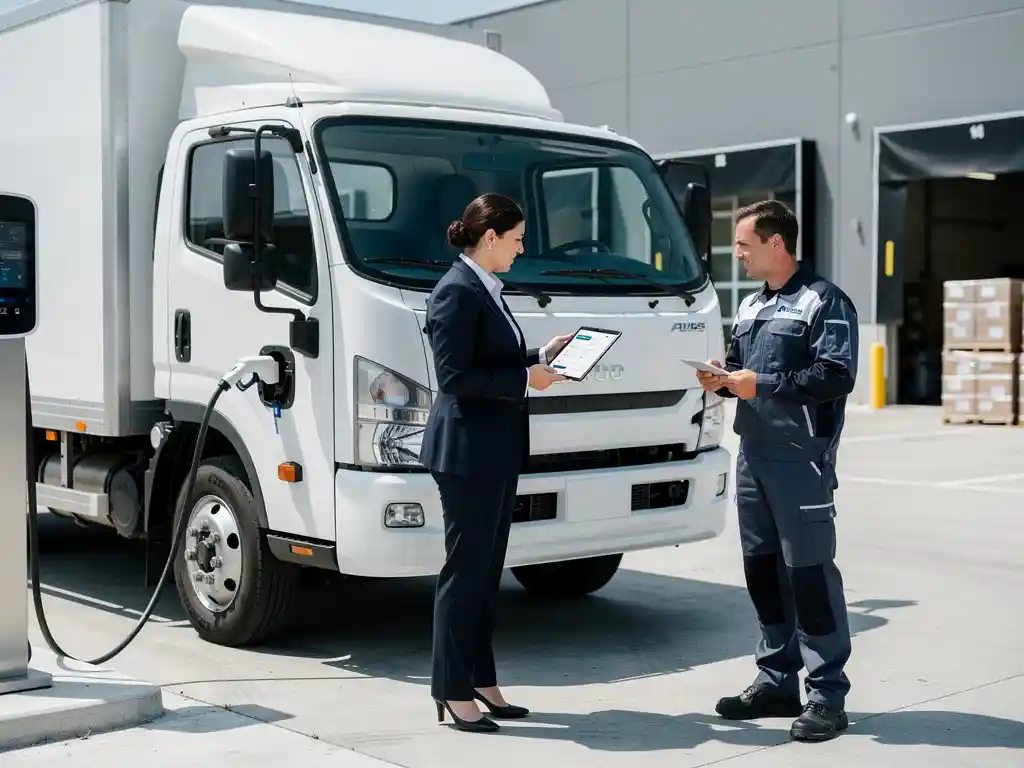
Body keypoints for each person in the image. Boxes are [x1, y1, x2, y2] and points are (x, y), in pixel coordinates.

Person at [696, 200, 858, 743]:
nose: (737, 254)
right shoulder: (751, 306)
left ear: (776, 244)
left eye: (744, 245)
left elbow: (835, 375)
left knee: (809, 576)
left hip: (801, 458)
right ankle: (775, 681)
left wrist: (760, 384)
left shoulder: (824, 301)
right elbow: (741, 368)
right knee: (763, 573)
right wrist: (722, 379)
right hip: (754, 455)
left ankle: (827, 695)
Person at [418, 192, 572, 733]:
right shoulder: (455, 292)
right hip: (466, 453)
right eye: (517, 239)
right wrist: (526, 379)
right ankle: (451, 688)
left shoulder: (485, 288)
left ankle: (480, 679)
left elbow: (492, 359)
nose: (521, 249)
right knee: (465, 573)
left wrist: (540, 357)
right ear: (489, 238)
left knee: (486, 573)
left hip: (494, 450)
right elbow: (454, 377)